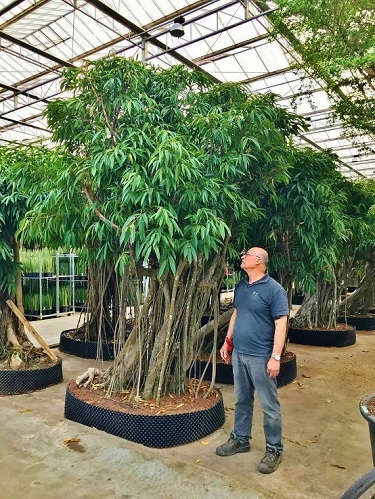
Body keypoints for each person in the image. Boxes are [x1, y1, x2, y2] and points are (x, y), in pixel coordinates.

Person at [216, 247, 289, 474]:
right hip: (240, 354)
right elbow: (236, 315)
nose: (242, 257)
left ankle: (274, 449)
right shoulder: (240, 286)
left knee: (269, 405)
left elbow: (281, 324)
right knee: (241, 399)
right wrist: (227, 341)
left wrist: (275, 357)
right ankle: (240, 439)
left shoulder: (274, 290)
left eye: (246, 255)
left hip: (261, 356)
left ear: (258, 260)